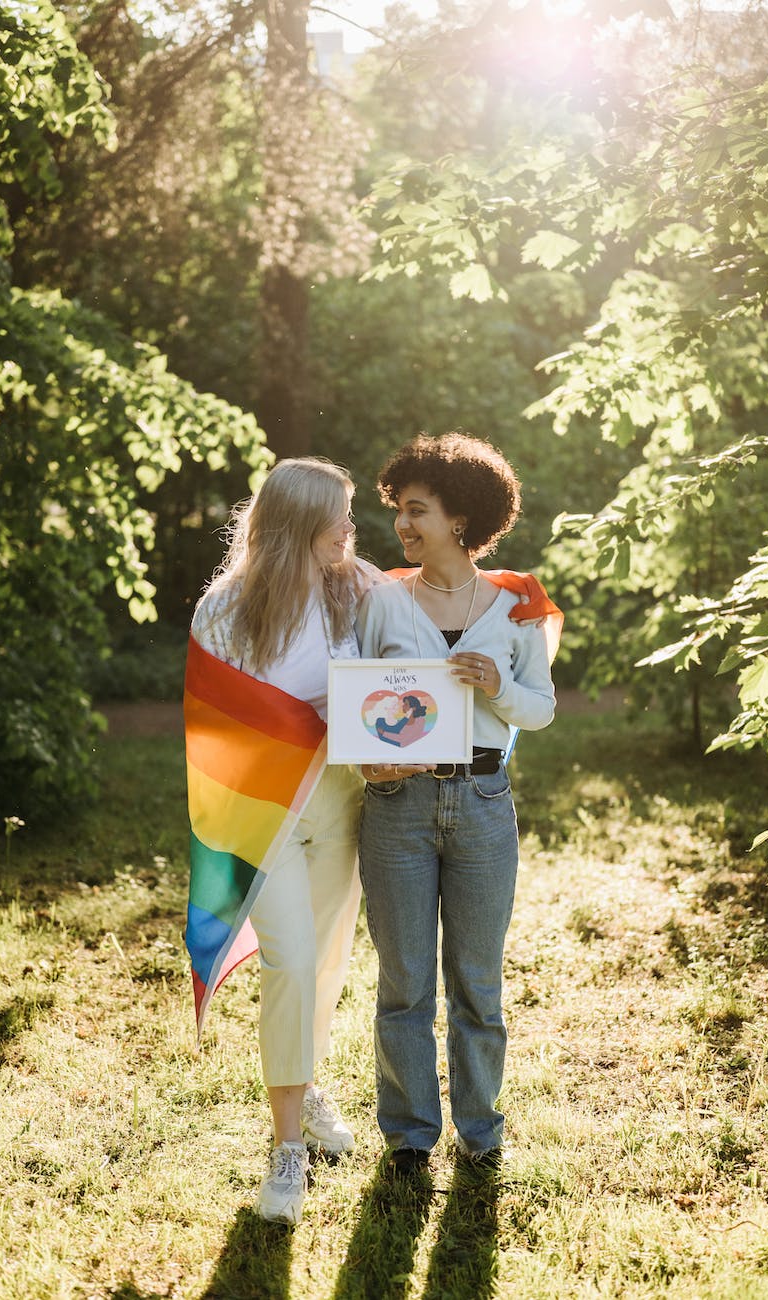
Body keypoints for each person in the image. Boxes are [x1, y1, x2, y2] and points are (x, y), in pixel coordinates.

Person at [355, 431, 560, 1177]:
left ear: (462, 519)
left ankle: (482, 1133)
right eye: (400, 510)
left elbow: (540, 708)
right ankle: (410, 1138)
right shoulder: (378, 599)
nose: (404, 526)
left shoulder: (516, 603)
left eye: (418, 511)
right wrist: (366, 766)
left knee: (477, 982)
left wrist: (497, 687)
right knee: (403, 982)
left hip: (481, 801)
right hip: (397, 806)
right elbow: (350, 698)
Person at [185, 457, 374, 1225]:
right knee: (290, 959)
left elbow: (405, 659)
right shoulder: (222, 610)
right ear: (301, 523)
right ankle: (286, 1149)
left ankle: (307, 1081)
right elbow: (216, 728)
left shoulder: (355, 591)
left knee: (324, 963)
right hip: (265, 812)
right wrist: (301, 720)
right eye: (341, 517)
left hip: (344, 799)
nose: (352, 532)